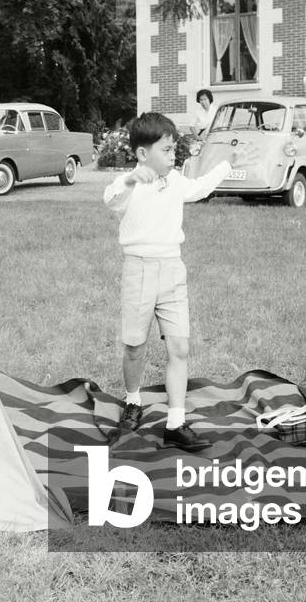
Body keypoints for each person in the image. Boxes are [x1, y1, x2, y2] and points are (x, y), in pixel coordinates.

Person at [103, 112, 232, 451]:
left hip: (173, 270)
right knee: (134, 346)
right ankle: (133, 401)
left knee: (180, 347)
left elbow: (199, 189)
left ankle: (176, 422)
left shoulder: (175, 181)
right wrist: (132, 180)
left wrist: (225, 166)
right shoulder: (129, 184)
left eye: (174, 148)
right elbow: (111, 199)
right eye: (165, 149)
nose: (172, 154)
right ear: (142, 154)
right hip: (140, 269)